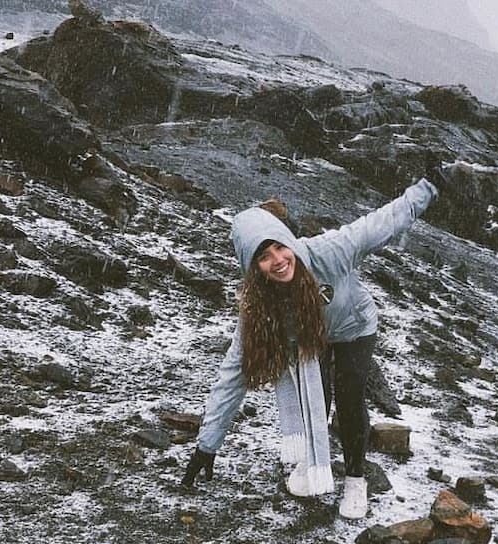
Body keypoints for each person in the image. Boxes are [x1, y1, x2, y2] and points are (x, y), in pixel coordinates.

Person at [181, 173, 443, 519]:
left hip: (354, 327)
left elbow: (384, 221)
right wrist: (207, 446)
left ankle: (355, 480)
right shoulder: (257, 307)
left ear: (290, 241)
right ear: (252, 267)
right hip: (310, 339)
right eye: (263, 257)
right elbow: (234, 374)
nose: (277, 260)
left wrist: (426, 188)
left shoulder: (328, 252)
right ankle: (315, 461)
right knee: (314, 396)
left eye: (279, 246)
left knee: (350, 396)